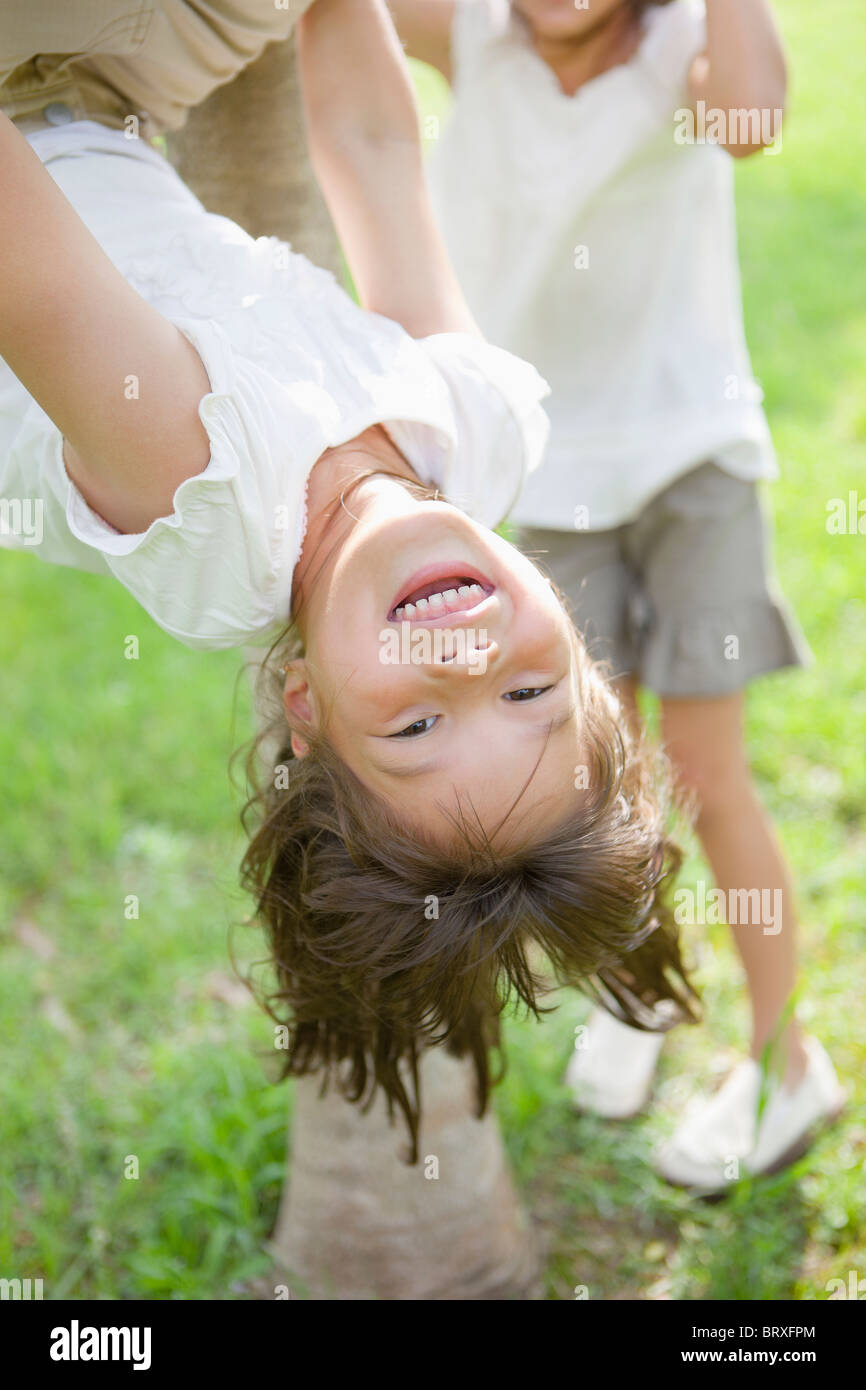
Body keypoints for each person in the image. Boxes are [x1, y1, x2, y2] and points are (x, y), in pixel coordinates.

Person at [0, 0, 700, 1159]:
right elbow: (376, 151)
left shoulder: (206, 494)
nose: (466, 659)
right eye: (529, 697)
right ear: (579, 649)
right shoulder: (469, 447)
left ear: (309, 712)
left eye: (419, 723)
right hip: (102, 100)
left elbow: (32, 284)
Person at [389, 0, 846, 1188]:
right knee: (598, 780)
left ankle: (783, 1057)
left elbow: (747, 122)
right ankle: (642, 998)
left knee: (706, 773)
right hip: (546, 472)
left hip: (692, 460)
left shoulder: (685, 46)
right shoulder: (472, 35)